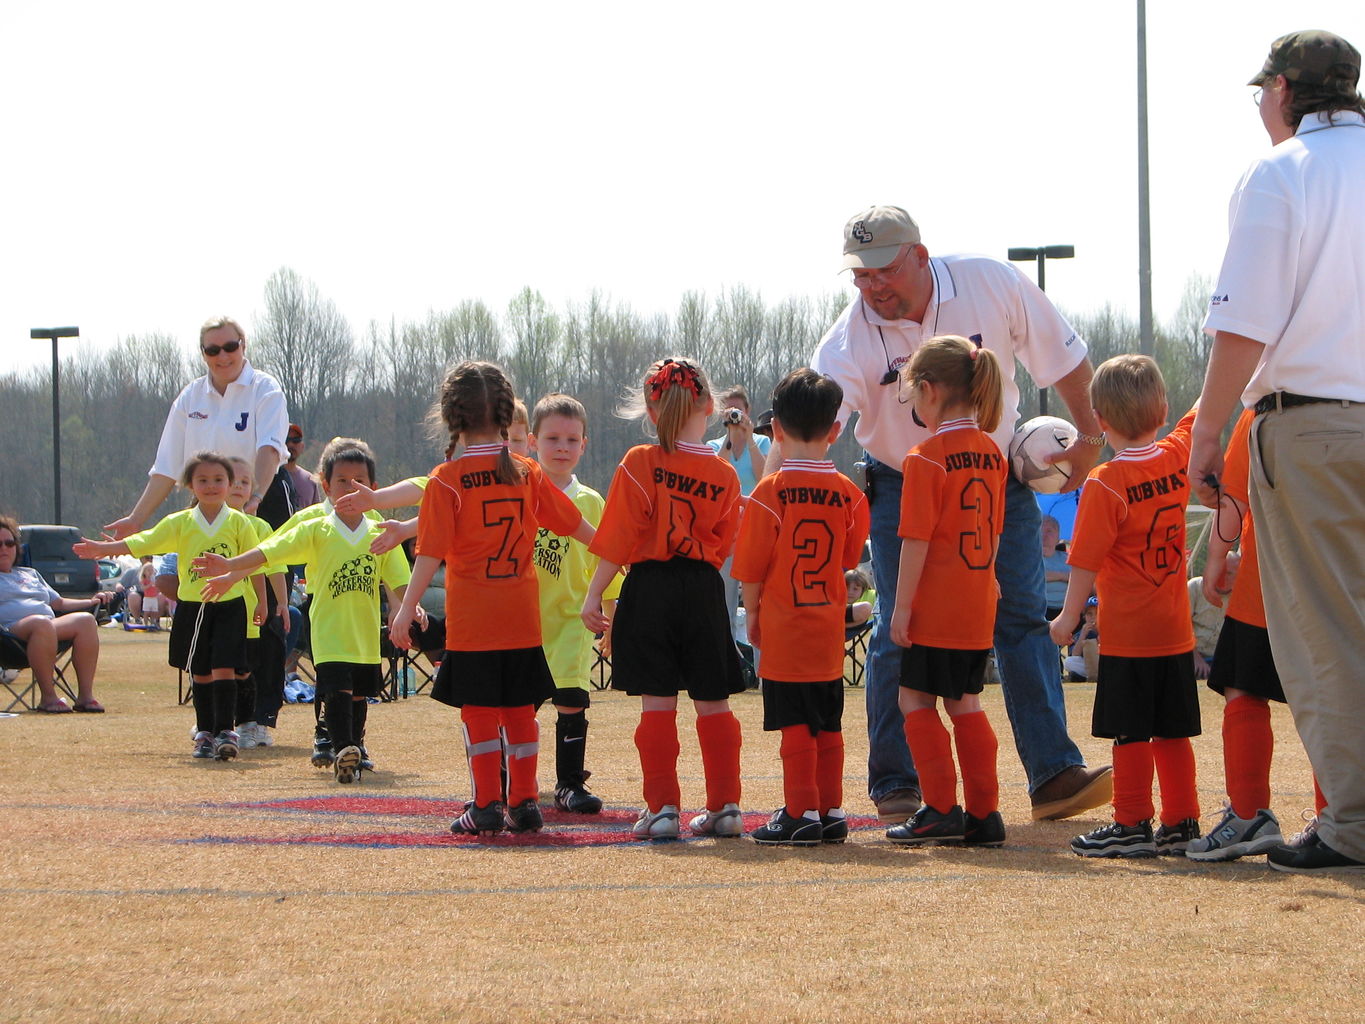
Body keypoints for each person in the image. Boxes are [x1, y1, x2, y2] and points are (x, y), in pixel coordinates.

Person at [793, 205, 1111, 824]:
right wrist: (791, 488)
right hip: (900, 479)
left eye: (883, 269)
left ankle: (1053, 774)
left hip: (995, 476)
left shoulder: (990, 281)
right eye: (859, 275)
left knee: (1019, 614)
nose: (872, 286)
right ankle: (896, 781)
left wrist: (1092, 447)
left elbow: (1067, 360)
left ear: (919, 254)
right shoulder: (846, 338)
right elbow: (819, 425)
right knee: (894, 626)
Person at [1189, 29, 1365, 875]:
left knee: (1327, 636)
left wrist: (1211, 430)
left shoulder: (1281, 170)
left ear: (1288, 91)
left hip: (1315, 425)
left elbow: (1243, 322)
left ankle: (1352, 824)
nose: (1262, 104)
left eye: (1264, 91)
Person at [390, 362, 594, 836]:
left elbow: (429, 553)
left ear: (452, 418)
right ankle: (525, 802)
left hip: (474, 622)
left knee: (480, 713)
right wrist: (615, 552)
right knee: (521, 711)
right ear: (506, 414)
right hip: (522, 620)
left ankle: (485, 804)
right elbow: (573, 524)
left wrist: (405, 609)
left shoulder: (446, 478)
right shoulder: (524, 471)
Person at [582, 357, 746, 840]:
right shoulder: (726, 475)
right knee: (713, 703)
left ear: (651, 414)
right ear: (711, 406)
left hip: (650, 587)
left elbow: (616, 538)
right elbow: (724, 543)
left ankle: (663, 810)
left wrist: (594, 595)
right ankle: (726, 806)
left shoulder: (639, 462)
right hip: (701, 588)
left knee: (658, 705)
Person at [1050, 357, 1202, 858]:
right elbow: (1200, 414)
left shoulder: (1105, 482)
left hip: (1129, 635)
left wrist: (1069, 618)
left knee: (1129, 731)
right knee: (1173, 730)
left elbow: (1085, 562)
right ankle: (1182, 820)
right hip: (1176, 629)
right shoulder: (1178, 455)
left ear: (1098, 419)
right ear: (1162, 407)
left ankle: (1132, 820)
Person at [198, 439, 414, 784]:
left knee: (358, 694)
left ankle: (355, 747)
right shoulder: (315, 526)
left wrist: (407, 606)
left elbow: (399, 575)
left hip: (364, 629)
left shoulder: (379, 530)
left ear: (374, 488)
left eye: (360, 480)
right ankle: (341, 746)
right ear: (326, 486)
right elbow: (270, 551)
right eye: (342, 480)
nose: (351, 488)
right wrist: (232, 569)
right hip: (328, 626)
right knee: (337, 690)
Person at [732, 368, 869, 846]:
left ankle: (799, 811)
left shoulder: (768, 493)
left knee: (794, 724)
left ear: (778, 432)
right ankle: (830, 809)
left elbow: (751, 567)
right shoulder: (851, 494)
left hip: (786, 625)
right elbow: (849, 559)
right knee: (826, 721)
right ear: (835, 431)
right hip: (828, 624)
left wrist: (753, 617)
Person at [884, 337, 1009, 847]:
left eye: (913, 393)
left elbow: (917, 540)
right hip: (978, 600)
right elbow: (995, 533)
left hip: (936, 602)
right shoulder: (993, 453)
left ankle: (938, 807)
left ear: (930, 390)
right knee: (965, 701)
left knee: (913, 696)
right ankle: (985, 814)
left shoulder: (927, 455)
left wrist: (902, 607)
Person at [76, 452, 259, 760]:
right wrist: (104, 548)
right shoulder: (181, 523)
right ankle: (205, 733)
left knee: (225, 667)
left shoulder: (240, 523)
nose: (211, 486)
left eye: (218, 480)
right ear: (190, 486)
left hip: (229, 605)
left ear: (230, 485)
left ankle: (227, 731)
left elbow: (254, 560)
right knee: (200, 670)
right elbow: (143, 541)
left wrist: (230, 579)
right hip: (194, 607)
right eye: (203, 480)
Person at [1185, 411, 1291, 861]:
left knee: (1243, 683)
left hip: (1268, 568)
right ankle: (1339, 819)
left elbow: (1234, 500)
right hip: (1340, 562)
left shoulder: (1265, 405)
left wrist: (1215, 559)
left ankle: (1248, 813)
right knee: (1335, 689)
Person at [104, 316, 295, 541]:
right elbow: (167, 467)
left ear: (243, 344)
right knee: (191, 575)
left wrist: (254, 498)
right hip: (208, 502)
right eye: (213, 350)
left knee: (270, 575)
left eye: (230, 347)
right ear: (203, 353)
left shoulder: (265, 389)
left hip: (262, 497)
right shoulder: (190, 397)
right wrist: (136, 519)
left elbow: (269, 450)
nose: (222, 356)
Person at [527, 393, 621, 814]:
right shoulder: (521, 493)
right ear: (533, 442)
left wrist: (613, 618)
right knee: (517, 709)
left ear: (584, 444)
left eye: (571, 439)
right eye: (552, 439)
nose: (561, 447)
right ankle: (513, 781)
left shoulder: (592, 502)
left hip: (573, 623)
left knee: (571, 701)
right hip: (523, 623)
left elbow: (609, 560)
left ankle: (569, 784)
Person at [0, 515, 110, 712]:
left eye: (9, 543)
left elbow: (58, 602)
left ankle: (85, 697)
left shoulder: (29, 574)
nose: (4, 548)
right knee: (41, 623)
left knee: (85, 621)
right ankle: (48, 698)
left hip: (46, 627)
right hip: (8, 635)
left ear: (16, 547)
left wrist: (92, 601)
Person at [223, 457, 290, 750]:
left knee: (250, 666)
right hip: (218, 609)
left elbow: (274, 566)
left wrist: (282, 603)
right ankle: (216, 720)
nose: (239, 486)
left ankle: (253, 723)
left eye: (245, 482)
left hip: (251, 612)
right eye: (233, 480)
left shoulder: (260, 526)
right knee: (219, 665)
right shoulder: (209, 524)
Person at [1187, 575, 1225, 681]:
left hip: (1223, 659)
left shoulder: (1243, 592)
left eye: (1231, 574)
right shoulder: (1194, 587)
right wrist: (1195, 657)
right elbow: (1180, 626)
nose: (1225, 578)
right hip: (1194, 654)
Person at [284, 425, 321, 509]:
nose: (290, 444)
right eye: (285, 440)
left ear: (302, 446)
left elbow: (316, 514)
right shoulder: (266, 479)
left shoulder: (310, 480)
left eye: (296, 440)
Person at [1041, 515, 1070, 620]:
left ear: (1058, 537)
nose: (1044, 535)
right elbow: (1034, 577)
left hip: (1070, 610)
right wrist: (1064, 576)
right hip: (1041, 610)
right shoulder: (1029, 558)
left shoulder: (1068, 558)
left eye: (1049, 531)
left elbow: (1082, 580)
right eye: (1040, 530)